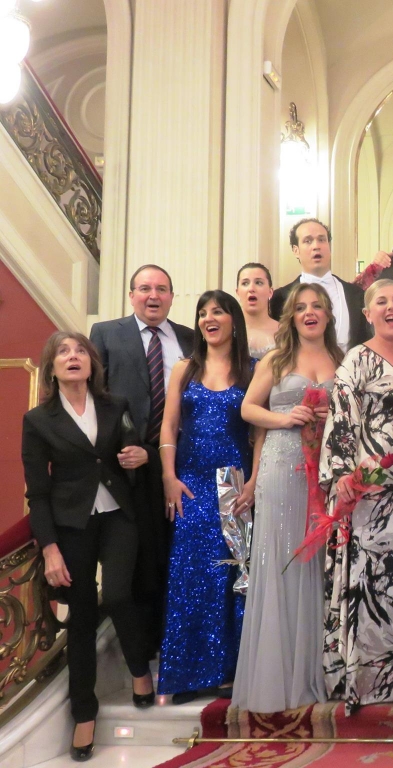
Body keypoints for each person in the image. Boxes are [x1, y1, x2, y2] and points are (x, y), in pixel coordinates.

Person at [22, 332, 155, 761]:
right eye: (63, 352)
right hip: (70, 526)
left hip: (119, 515)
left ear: (92, 363)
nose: (73, 356)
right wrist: (49, 549)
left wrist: (139, 456)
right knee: (80, 617)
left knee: (117, 594)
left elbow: (135, 448)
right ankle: (84, 713)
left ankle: (138, 669)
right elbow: (37, 493)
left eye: (80, 350)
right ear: (52, 367)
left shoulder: (115, 406)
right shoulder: (38, 420)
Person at [232, 283, 342, 713]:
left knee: (319, 564)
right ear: (291, 317)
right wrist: (286, 417)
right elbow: (247, 409)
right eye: (301, 308)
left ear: (329, 314)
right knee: (282, 560)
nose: (310, 313)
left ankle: (317, 671)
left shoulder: (342, 359)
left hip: (326, 471)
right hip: (281, 466)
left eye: (317, 306)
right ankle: (277, 677)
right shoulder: (276, 360)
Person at [89, 264, 194, 659]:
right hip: (127, 463)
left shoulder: (189, 338)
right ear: (131, 295)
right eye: (145, 288)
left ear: (171, 296)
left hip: (180, 462)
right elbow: (96, 397)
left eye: (162, 289)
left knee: (174, 550)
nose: (154, 296)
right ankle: (143, 647)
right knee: (138, 558)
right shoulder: (106, 334)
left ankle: (175, 638)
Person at [158, 291, 256, 704]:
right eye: (202, 313)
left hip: (236, 483)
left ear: (234, 319)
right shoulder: (185, 368)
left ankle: (232, 671)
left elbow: (260, 431)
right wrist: (168, 476)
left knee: (235, 576)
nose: (208, 318)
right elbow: (169, 427)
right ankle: (189, 674)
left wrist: (254, 484)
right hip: (193, 484)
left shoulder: (253, 369)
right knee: (192, 575)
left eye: (217, 311)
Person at [321, 280, 393, 711]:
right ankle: (364, 681)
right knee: (368, 584)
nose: (391, 307)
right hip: (366, 493)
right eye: (382, 301)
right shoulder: (356, 360)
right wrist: (343, 475)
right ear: (367, 314)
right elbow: (343, 418)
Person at [269, 218, 368, 353]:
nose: (316, 246)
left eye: (321, 240)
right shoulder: (280, 298)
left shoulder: (355, 294)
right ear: (296, 250)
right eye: (308, 241)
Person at [235, 262, 279, 359]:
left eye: (259, 282)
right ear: (237, 292)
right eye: (245, 283)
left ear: (270, 292)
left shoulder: (286, 332)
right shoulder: (228, 331)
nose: (251, 288)